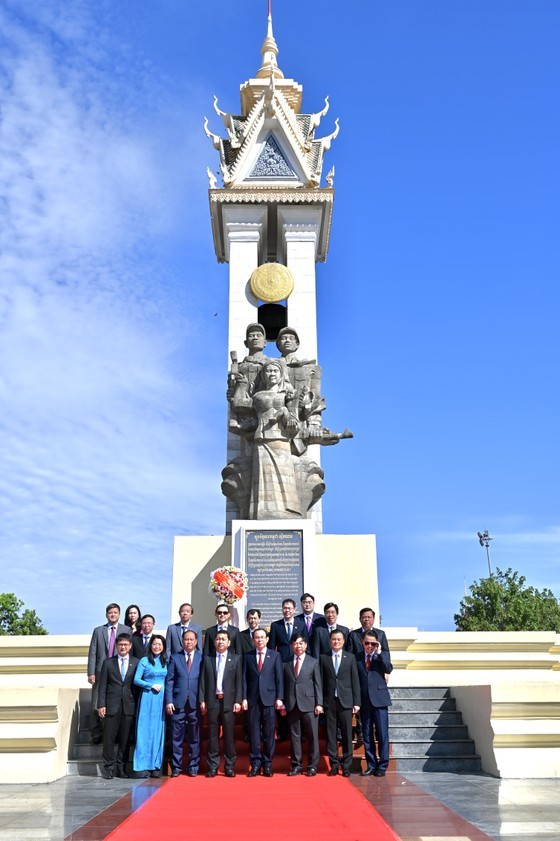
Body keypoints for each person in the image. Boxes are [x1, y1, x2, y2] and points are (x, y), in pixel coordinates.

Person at [199, 630, 243, 777]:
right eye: (218, 639)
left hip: (229, 701)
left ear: (229, 642)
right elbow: (203, 681)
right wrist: (202, 699)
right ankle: (213, 766)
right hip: (212, 700)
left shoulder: (235, 658)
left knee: (229, 736)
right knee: (213, 735)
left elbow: (239, 681)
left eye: (224, 639)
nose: (220, 641)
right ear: (214, 642)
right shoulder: (208, 659)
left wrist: (238, 700)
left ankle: (230, 766)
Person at [242, 628, 283, 777]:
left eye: (262, 637)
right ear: (253, 640)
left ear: (266, 639)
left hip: (270, 700)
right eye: (256, 638)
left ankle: (267, 764)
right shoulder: (248, 656)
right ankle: (255, 763)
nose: (259, 640)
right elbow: (244, 678)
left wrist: (279, 698)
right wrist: (244, 698)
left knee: (268, 733)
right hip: (253, 700)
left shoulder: (275, 656)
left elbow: (279, 678)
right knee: (254, 734)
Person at [87, 603, 130, 745]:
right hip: (100, 671)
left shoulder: (126, 629)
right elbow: (92, 652)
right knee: (95, 705)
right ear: (106, 615)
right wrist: (91, 672)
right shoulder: (98, 630)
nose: (113, 615)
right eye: (110, 612)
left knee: (115, 705)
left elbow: (130, 651)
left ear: (119, 614)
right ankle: (96, 734)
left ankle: (114, 734)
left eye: (115, 612)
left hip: (118, 672)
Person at [96, 634, 138, 779]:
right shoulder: (108, 663)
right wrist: (101, 704)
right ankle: (108, 767)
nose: (123, 647)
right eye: (120, 644)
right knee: (108, 738)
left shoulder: (136, 662)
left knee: (125, 739)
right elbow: (102, 686)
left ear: (130, 646)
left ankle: (121, 767)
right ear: (116, 646)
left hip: (128, 705)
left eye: (126, 644)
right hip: (111, 705)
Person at [320, 630, 360, 777]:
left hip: (346, 701)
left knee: (347, 734)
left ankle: (347, 765)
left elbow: (355, 680)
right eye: (333, 639)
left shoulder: (350, 658)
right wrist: (320, 702)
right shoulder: (323, 658)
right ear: (330, 641)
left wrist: (357, 702)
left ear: (343, 641)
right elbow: (321, 681)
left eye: (339, 639)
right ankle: (334, 765)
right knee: (331, 735)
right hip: (329, 701)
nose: (336, 642)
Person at [282, 633, 323, 776]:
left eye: (300, 643)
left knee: (312, 736)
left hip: (310, 704)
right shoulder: (286, 662)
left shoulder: (313, 662)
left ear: (305, 645)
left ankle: (312, 765)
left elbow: (318, 684)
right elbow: (284, 684)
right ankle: (296, 765)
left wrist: (319, 703)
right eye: (295, 643)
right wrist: (283, 702)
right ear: (291, 646)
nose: (298, 646)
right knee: (295, 736)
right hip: (292, 704)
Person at [165, 629, 203, 777]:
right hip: (177, 703)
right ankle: (176, 766)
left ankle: (193, 766)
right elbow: (169, 680)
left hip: (195, 703)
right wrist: (169, 700)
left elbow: (204, 682)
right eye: (186, 639)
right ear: (182, 641)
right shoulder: (175, 657)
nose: (188, 642)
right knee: (176, 737)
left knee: (195, 737)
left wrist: (202, 700)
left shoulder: (201, 658)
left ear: (196, 641)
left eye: (191, 639)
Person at [356, 630, 393, 777]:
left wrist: (379, 652)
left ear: (377, 643)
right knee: (367, 735)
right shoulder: (357, 658)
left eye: (373, 643)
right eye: (367, 643)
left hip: (380, 700)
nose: (369, 646)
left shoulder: (381, 655)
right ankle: (371, 765)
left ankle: (382, 766)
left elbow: (388, 668)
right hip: (365, 702)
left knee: (382, 734)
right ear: (362, 643)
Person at [132, 634, 167, 778]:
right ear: (150, 646)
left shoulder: (166, 661)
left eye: (159, 644)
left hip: (162, 700)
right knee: (144, 730)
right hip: (148, 698)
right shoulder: (144, 661)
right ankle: (142, 765)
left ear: (163, 646)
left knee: (158, 731)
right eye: (154, 644)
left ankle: (155, 765)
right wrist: (150, 685)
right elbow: (136, 679)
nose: (157, 647)